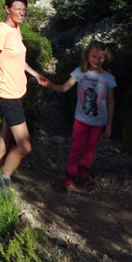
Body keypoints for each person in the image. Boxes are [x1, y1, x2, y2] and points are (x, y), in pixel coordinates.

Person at [0, 0, 49, 192]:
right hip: (7, 95)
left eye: (24, 9)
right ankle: (3, 182)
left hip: (16, 93)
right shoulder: (2, 31)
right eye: (17, 9)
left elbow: (19, 60)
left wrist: (35, 74)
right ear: (7, 9)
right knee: (25, 146)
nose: (21, 13)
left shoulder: (15, 28)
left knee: (6, 134)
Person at [47, 40, 116, 192]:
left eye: (100, 58)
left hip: (98, 121)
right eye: (93, 56)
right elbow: (65, 87)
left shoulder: (108, 78)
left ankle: (84, 168)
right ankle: (69, 175)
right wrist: (51, 85)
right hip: (81, 119)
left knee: (91, 147)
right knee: (76, 147)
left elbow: (110, 102)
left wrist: (109, 124)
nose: (96, 60)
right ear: (87, 56)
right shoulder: (80, 72)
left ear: (105, 59)